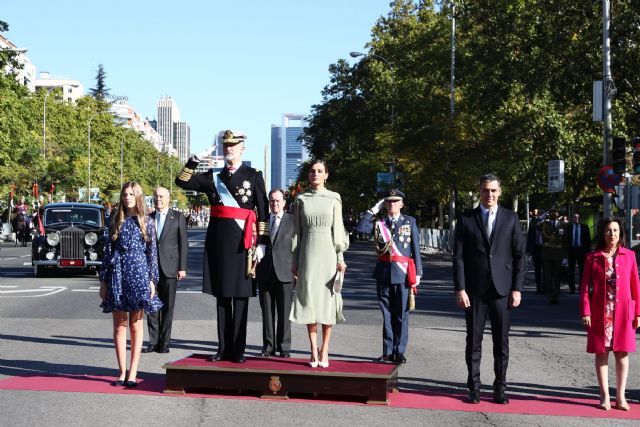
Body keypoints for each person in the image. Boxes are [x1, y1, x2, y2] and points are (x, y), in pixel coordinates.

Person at [175, 130, 269, 363]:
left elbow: (263, 211)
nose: (229, 149)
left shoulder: (253, 175)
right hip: (218, 242)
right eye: (226, 145)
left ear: (242, 148)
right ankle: (223, 348)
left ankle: (238, 350)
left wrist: (262, 244)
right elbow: (181, 180)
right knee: (222, 297)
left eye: (233, 145)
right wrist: (196, 158)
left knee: (240, 298)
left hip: (242, 243)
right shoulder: (212, 176)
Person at [453, 173, 524, 405]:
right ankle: (473, 388)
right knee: (473, 342)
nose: (490, 194)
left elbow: (519, 256)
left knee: (501, 344)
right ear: (480, 191)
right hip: (474, 291)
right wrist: (460, 289)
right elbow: (459, 257)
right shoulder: (466, 218)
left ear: (499, 192)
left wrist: (517, 289)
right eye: (485, 190)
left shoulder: (511, 218)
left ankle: (500, 388)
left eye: (493, 190)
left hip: (502, 290)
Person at [99, 181, 162, 387]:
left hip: (139, 273)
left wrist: (153, 280)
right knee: (119, 325)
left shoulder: (147, 221)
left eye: (131, 194)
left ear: (138, 197)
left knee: (135, 324)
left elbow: (152, 254)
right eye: (124, 194)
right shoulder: (115, 219)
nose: (127, 197)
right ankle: (121, 371)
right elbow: (107, 252)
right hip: (117, 273)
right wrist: (103, 280)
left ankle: (133, 372)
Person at [290, 160, 349, 368]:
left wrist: (340, 259)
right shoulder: (301, 199)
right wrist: (295, 261)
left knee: (327, 303)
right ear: (308, 175)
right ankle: (313, 349)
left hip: (328, 256)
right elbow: (297, 233)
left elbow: (338, 230)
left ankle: (325, 349)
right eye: (312, 171)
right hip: (307, 256)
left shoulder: (334, 198)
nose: (315, 174)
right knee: (309, 302)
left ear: (326, 175)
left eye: (320, 171)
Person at [580, 217, 640, 411]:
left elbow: (635, 286)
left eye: (615, 230)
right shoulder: (593, 257)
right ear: (602, 233)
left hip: (623, 313)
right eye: (608, 231)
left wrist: (638, 312)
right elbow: (584, 289)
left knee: (622, 353)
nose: (611, 234)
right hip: (600, 313)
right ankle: (604, 395)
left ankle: (621, 397)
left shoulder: (629, 255)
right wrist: (585, 311)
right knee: (602, 353)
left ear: (620, 233)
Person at [356, 189, 422, 363]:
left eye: (395, 201)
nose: (392, 204)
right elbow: (361, 229)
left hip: (402, 273)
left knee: (401, 314)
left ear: (402, 203)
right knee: (387, 314)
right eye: (389, 201)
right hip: (384, 273)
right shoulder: (380, 221)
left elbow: (415, 248)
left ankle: (399, 351)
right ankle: (387, 351)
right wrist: (373, 210)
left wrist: (419, 273)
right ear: (385, 204)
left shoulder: (410, 221)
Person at [143, 187, 188, 354]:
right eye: (155, 196)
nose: (158, 199)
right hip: (151, 269)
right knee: (152, 306)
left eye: (161, 196)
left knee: (168, 308)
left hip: (170, 268)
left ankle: (164, 343)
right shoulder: (148, 218)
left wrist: (182, 267)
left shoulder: (177, 217)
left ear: (168, 198)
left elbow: (183, 243)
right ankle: (153, 342)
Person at [256, 188, 296, 358]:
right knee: (267, 312)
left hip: (286, 272)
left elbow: (298, 246)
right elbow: (258, 242)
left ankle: (284, 347)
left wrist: (298, 268)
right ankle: (268, 346)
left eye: (278, 200)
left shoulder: (293, 221)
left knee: (284, 312)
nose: (274, 203)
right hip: (265, 272)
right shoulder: (262, 220)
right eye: (272, 200)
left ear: (284, 203)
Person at [541, 208, 566, 304]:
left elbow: (565, 240)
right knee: (548, 276)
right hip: (547, 254)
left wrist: (565, 257)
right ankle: (550, 296)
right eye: (551, 211)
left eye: (555, 211)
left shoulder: (562, 225)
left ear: (558, 213)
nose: (553, 213)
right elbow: (534, 226)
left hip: (558, 254)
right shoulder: (544, 224)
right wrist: (543, 215)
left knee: (557, 276)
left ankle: (556, 295)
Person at [566, 213, 591, 294]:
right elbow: (566, 239)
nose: (576, 219)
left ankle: (581, 287)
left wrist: (588, 253)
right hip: (572, 250)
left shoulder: (584, 227)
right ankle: (572, 288)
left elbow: (588, 241)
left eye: (577, 217)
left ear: (579, 218)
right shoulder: (569, 228)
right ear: (572, 218)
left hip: (581, 251)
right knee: (571, 270)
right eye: (575, 217)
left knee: (582, 270)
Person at [526, 209, 544, 294]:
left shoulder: (546, 225)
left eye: (541, 215)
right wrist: (528, 250)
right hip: (536, 248)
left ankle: (545, 288)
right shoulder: (533, 224)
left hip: (545, 249)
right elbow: (529, 237)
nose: (539, 216)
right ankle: (539, 288)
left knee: (545, 270)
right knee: (537, 269)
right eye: (538, 215)